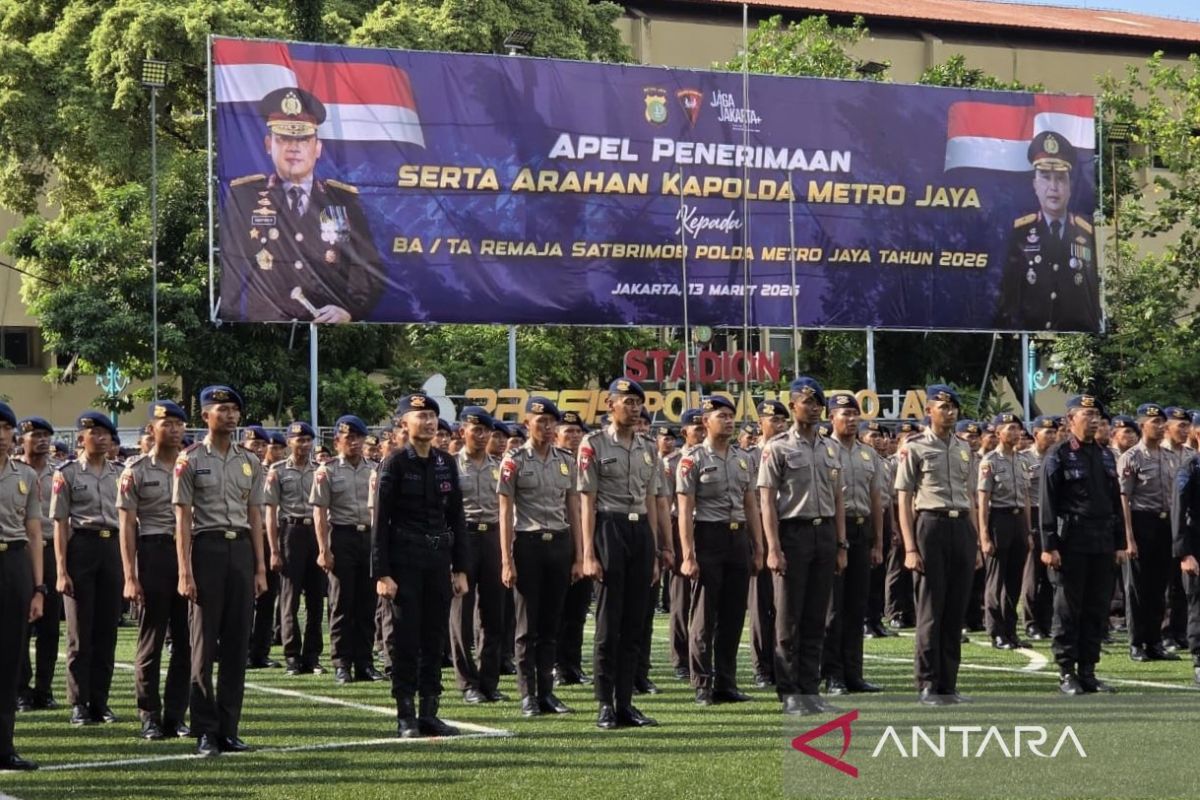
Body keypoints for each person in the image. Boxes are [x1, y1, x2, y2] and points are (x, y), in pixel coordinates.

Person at [220, 87, 383, 323]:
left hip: (326, 331)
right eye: (283, 138)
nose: (293, 147)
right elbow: (231, 267)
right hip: (266, 331)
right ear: (268, 144)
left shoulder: (343, 200)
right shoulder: (245, 197)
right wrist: (234, 325)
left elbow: (367, 268)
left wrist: (349, 310)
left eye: (303, 139)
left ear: (318, 148)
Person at [173, 385, 268, 755]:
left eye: (233, 409)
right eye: (221, 409)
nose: (229, 415)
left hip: (241, 549)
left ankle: (229, 728)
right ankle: (205, 730)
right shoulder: (190, 460)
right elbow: (181, 519)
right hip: (207, 548)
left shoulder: (251, 461)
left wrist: (260, 567)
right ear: (204, 416)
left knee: (235, 643)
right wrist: (184, 570)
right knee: (203, 643)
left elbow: (255, 515)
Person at [372, 391, 469, 738]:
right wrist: (382, 572)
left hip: (438, 558)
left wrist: (460, 568)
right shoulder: (395, 464)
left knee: (434, 637)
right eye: (420, 416)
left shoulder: (446, 462)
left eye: (432, 415)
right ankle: (405, 713)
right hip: (404, 560)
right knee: (405, 639)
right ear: (404, 423)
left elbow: (456, 517)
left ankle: (430, 711)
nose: (428, 422)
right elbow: (380, 522)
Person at [578, 379, 671, 730]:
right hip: (609, 528)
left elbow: (652, 498)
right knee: (608, 623)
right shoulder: (594, 444)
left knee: (635, 623)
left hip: (639, 530)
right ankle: (605, 703)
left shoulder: (648, 447)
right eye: (627, 402)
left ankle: (626, 703)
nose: (634, 408)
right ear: (610, 404)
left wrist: (660, 547)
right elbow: (587, 499)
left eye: (638, 403)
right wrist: (588, 552)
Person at [758, 377, 847, 716]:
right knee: (788, 618)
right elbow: (766, 499)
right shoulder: (778, 447)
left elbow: (838, 498)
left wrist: (841, 543)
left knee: (816, 617)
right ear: (792, 405)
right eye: (806, 402)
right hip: (792, 534)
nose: (813, 408)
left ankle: (810, 688)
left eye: (817, 403)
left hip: (823, 532)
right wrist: (772, 547)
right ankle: (789, 690)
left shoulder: (830, 447)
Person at [894, 385, 978, 706]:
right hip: (930, 524)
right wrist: (910, 548)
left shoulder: (964, 448)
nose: (950, 412)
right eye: (943, 406)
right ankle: (928, 684)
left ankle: (948, 684)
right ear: (929, 410)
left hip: (961, 526)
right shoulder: (914, 447)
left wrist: (976, 540)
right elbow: (903, 499)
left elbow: (970, 494)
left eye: (954, 406)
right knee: (931, 609)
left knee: (955, 610)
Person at [676, 395, 762, 706]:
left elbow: (751, 504)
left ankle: (726, 682)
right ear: (705, 421)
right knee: (704, 615)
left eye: (730, 415)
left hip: (737, 539)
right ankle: (702, 684)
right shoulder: (693, 459)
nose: (728, 420)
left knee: (733, 614)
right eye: (721, 416)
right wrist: (687, 554)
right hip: (708, 537)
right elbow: (685, 511)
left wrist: (759, 547)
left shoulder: (743, 458)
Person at [498, 397, 581, 717]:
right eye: (540, 422)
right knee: (526, 626)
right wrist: (506, 559)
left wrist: (578, 554)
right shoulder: (514, 460)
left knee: (551, 624)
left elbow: (572, 506)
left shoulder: (565, 460)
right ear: (526, 424)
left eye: (551, 423)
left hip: (559, 545)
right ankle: (527, 694)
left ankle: (547, 692)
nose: (547, 428)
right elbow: (505, 512)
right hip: (528, 544)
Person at [1039, 394, 1123, 695]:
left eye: (1097, 415)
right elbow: (1047, 503)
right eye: (1087, 414)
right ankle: (1066, 671)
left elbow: (1114, 502)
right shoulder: (1058, 455)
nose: (1094, 419)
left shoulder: (1104, 454)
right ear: (1070, 419)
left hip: (1102, 541)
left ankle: (1088, 671)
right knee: (1068, 609)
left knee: (1096, 609)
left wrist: (1120, 542)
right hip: (1071, 541)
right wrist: (1048, 545)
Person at [118, 401, 192, 740]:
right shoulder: (136, 469)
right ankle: (149, 714)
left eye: (179, 424)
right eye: (167, 423)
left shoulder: (192, 465)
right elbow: (127, 526)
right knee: (151, 638)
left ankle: (176, 716)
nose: (174, 429)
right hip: (154, 552)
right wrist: (130, 576)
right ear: (152, 429)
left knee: (187, 641)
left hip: (189, 556)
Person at [51, 411, 123, 726]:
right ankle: (79, 702)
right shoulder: (65, 474)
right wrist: (62, 570)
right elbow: (60, 524)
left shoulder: (120, 472)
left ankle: (100, 702)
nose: (103, 438)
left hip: (112, 548)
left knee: (107, 631)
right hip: (81, 546)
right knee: (80, 633)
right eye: (96, 433)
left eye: (107, 433)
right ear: (81, 438)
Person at [1000, 130, 1099, 332]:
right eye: (1045, 177)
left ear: (1070, 186)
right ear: (1035, 185)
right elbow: (1008, 302)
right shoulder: (1020, 233)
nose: (1053, 187)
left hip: (1075, 338)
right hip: (1029, 332)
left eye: (1061, 179)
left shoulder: (1084, 233)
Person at [311, 416, 383, 684]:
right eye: (347, 437)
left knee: (367, 604)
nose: (353, 442)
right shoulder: (326, 471)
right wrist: (323, 548)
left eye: (358, 437)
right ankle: (342, 663)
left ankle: (364, 663)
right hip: (341, 537)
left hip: (369, 539)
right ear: (337, 441)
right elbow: (319, 512)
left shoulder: (375, 470)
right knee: (342, 603)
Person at [821, 394, 884, 695]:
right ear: (831, 417)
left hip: (862, 531)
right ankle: (832, 674)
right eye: (844, 413)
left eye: (855, 414)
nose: (851, 419)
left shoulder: (868, 454)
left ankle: (853, 673)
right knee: (834, 608)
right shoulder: (824, 450)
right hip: (833, 532)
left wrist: (878, 543)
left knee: (857, 606)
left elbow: (876, 501)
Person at [0, 401, 46, 771]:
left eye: (5, 429)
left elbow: (34, 532)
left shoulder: (26, 476)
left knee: (10, 658)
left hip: (14, 564)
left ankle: (4, 747)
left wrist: (38, 587)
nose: (1, 437)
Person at [451, 406, 506, 704]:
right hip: (464, 537)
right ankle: (467, 681)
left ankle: (488, 680)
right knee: (461, 613)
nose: (483, 436)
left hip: (492, 538)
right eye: (477, 430)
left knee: (493, 614)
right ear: (463, 432)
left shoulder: (498, 465)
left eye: (487, 431)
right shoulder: (450, 466)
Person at [1117, 404, 1178, 663]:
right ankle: (1136, 643)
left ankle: (1154, 642)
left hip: (1164, 525)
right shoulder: (1131, 457)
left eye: (1163, 421)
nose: (1161, 426)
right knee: (1137, 588)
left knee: (1158, 586)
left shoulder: (1169, 457)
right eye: (1155, 421)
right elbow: (1124, 498)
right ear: (1142, 425)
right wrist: (1128, 537)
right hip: (1141, 523)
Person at [264, 421, 325, 676]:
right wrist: (274, 549)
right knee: (289, 598)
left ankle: (312, 656)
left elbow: (325, 509)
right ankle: (292, 655)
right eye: (299, 440)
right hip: (291, 532)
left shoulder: (321, 470)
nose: (304, 444)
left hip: (316, 533)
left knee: (315, 600)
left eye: (308, 440)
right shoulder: (277, 471)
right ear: (289, 442)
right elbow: (270, 512)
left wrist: (325, 546)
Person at [977, 413, 1032, 651]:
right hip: (998, 519)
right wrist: (984, 535)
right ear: (998, 433)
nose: (1015, 432)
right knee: (996, 580)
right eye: (1009, 428)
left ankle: (1011, 629)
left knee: (1014, 580)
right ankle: (996, 631)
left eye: (1017, 429)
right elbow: (983, 499)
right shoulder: (989, 461)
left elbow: (1027, 497)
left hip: (1018, 520)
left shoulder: (1022, 461)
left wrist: (1028, 530)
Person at [15, 417, 60, 713]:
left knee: (50, 627)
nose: (42, 441)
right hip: (21, 551)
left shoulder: (59, 473)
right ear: (23, 439)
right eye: (36, 435)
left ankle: (44, 688)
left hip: (51, 549)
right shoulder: (16, 471)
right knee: (20, 623)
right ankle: (21, 688)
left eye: (46, 435)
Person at [749, 401, 788, 688]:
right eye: (774, 420)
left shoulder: (787, 450)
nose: (780, 425)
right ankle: (763, 666)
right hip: (759, 532)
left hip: (786, 529)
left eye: (783, 420)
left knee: (786, 604)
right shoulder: (749, 456)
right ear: (760, 421)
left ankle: (784, 664)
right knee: (762, 604)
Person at [663, 408, 704, 683]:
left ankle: (702, 656)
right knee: (681, 596)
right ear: (684, 432)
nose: (701, 431)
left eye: (703, 426)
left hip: (710, 528)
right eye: (696, 428)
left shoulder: (712, 455)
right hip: (681, 527)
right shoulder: (674, 462)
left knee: (706, 598)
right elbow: (665, 503)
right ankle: (680, 657)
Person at [554, 410, 594, 687]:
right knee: (555, 608)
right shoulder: (552, 462)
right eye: (568, 431)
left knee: (577, 609)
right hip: (559, 539)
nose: (574, 436)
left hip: (585, 541)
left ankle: (573, 665)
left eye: (578, 431)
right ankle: (555, 665)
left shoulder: (587, 463)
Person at [244, 426, 281, 670]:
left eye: (261, 445)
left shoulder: (270, 472)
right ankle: (244, 650)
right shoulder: (238, 467)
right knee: (245, 600)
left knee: (268, 598)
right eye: (253, 444)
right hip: (244, 539)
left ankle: (261, 652)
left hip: (268, 540)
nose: (257, 449)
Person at [1021, 416, 1059, 641]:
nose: (1052, 437)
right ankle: (1031, 622)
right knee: (1032, 573)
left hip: (1052, 516)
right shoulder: (1025, 458)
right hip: (1033, 513)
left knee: (1051, 573)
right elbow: (1025, 493)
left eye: (1054, 432)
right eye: (1048, 433)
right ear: (1035, 434)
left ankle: (1047, 620)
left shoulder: (1056, 458)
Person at [1171, 444, 1200, 686]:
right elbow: (1179, 510)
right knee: (1199, 606)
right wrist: (1184, 553)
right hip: (1196, 546)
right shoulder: (1190, 468)